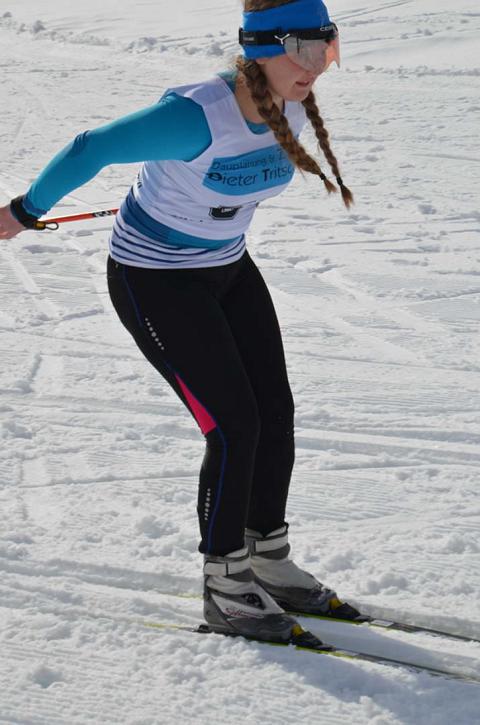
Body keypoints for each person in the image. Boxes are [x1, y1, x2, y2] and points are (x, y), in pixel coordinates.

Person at [0, 0, 364, 643]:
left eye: (327, 49)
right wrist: (24, 212)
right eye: (305, 50)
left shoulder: (292, 102)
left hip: (227, 268)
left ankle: (267, 559)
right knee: (233, 427)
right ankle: (226, 585)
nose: (317, 66)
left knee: (274, 413)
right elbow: (92, 147)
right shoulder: (195, 116)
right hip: (155, 280)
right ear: (261, 49)